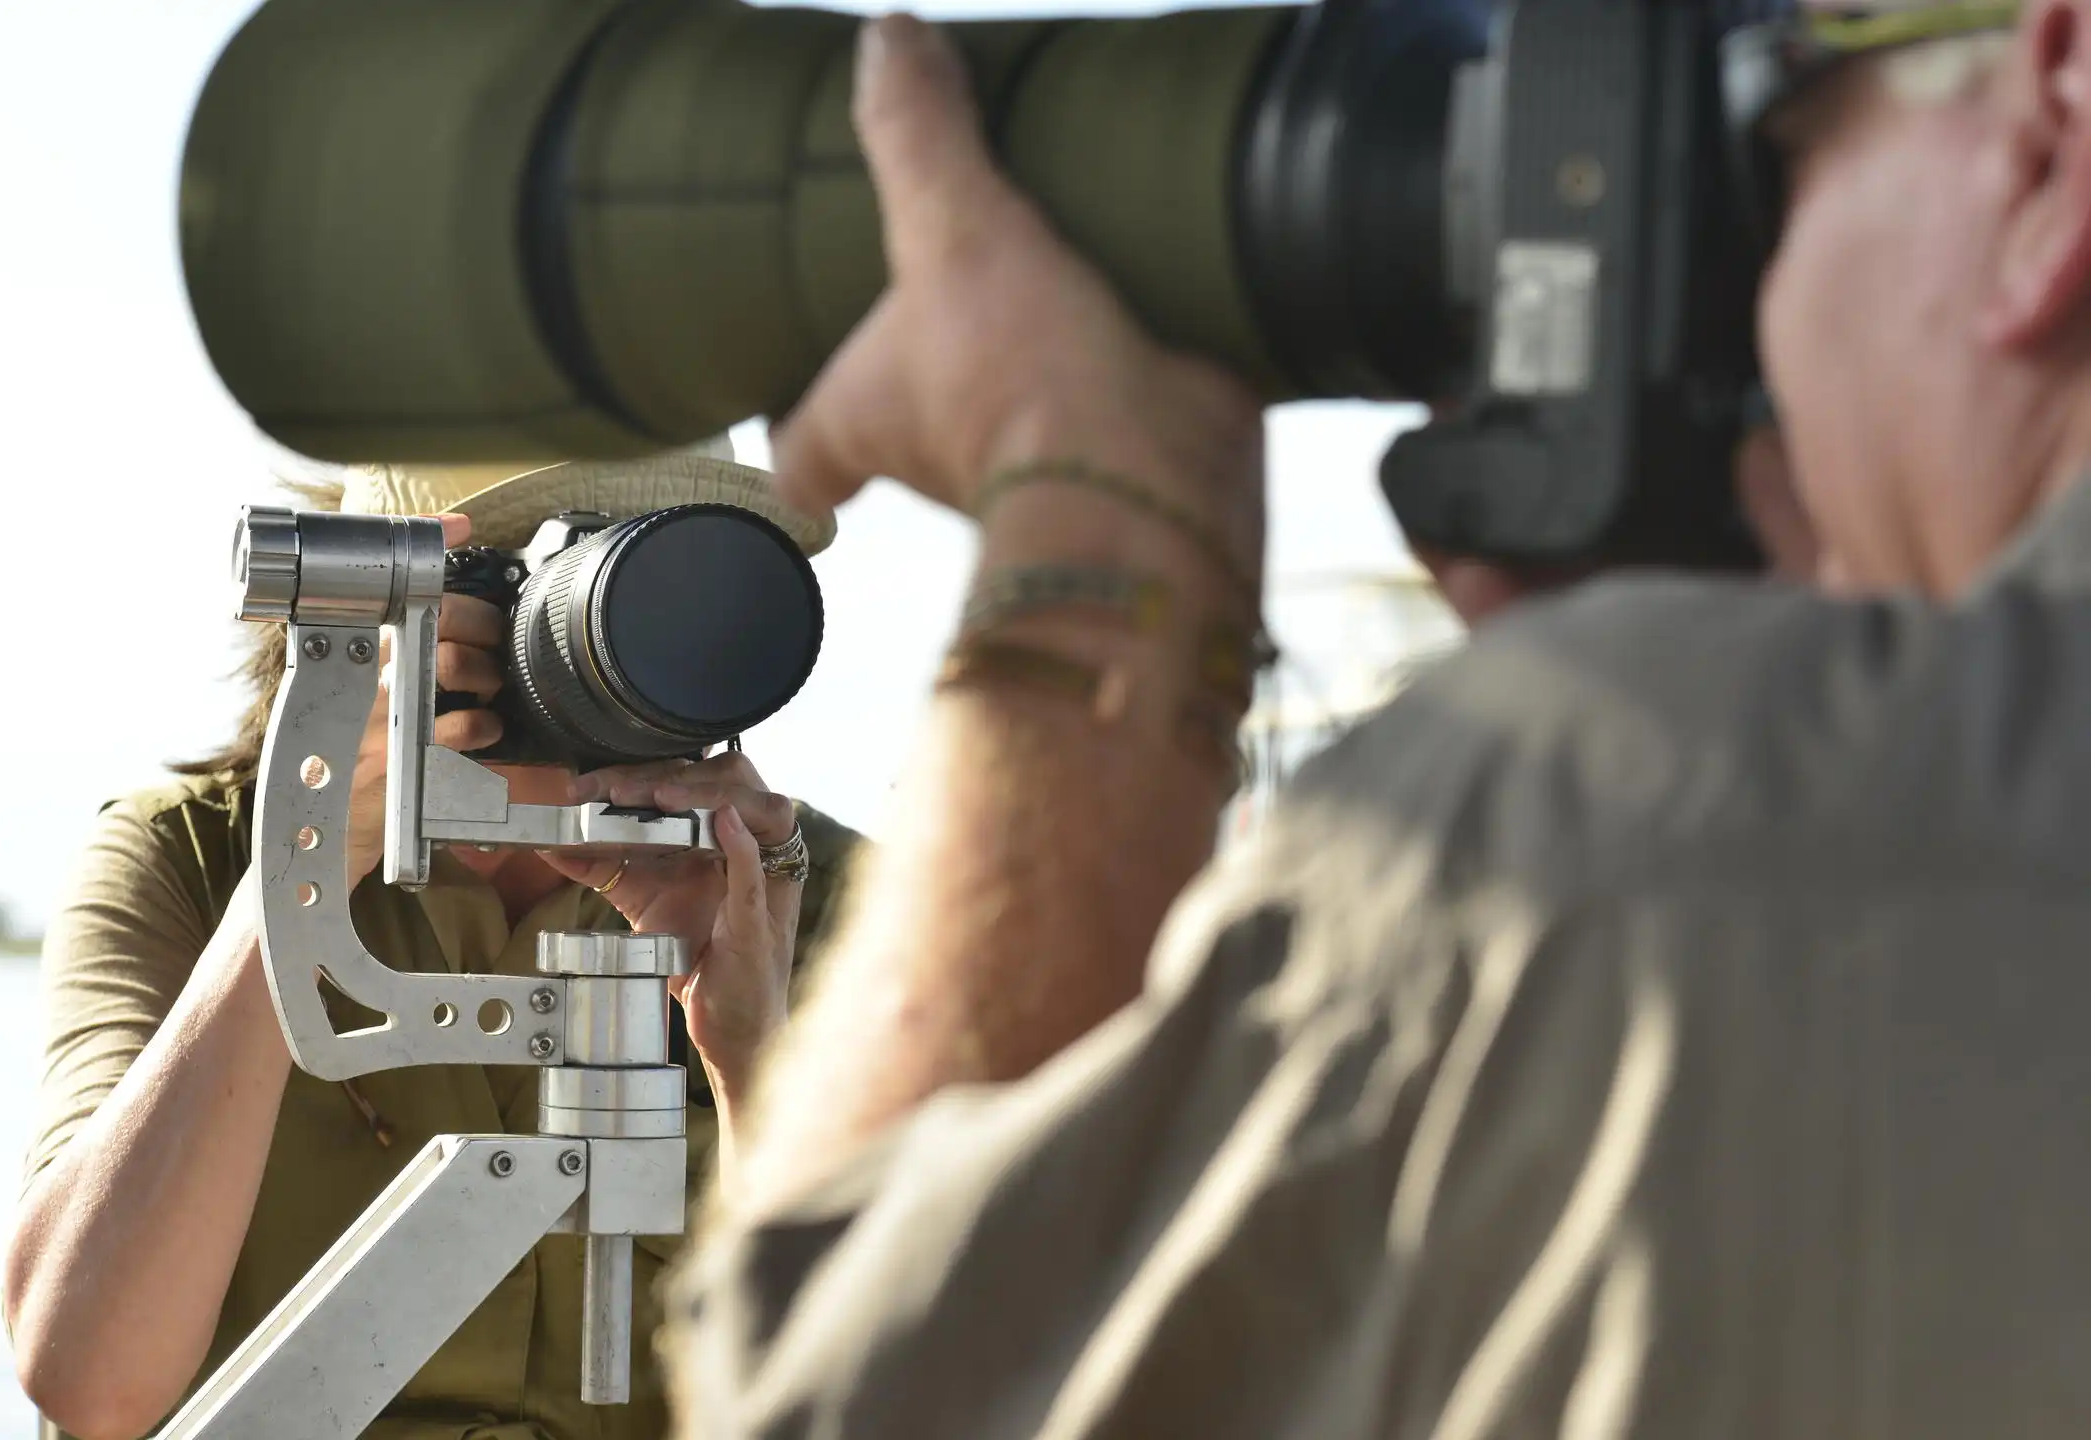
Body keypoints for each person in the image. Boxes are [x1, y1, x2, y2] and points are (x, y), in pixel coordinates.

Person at [649, 3, 2091, 1435]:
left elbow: (849, 1395)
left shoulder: (1627, 833)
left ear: (2051, 137)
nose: (1747, 289)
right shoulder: (1724, 830)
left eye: (1769, 156)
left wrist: (1099, 530)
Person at [2, 446, 864, 1440]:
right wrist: (298, 869)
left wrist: (754, 1056)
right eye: (541, 575)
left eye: (666, 573)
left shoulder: (829, 896)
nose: (626, 625)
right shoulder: (188, 856)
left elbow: (891, 1398)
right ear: (387, 612)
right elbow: (90, 1382)